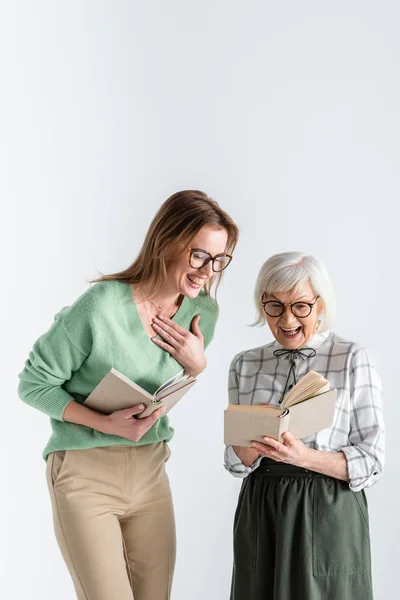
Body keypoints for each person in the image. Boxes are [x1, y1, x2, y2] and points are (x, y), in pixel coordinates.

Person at [19, 190, 238, 600]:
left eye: (218, 260)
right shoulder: (101, 306)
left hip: (150, 472)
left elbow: (161, 396)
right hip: (85, 473)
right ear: (167, 242)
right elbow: (33, 384)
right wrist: (103, 422)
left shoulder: (202, 313)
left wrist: (197, 368)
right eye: (200, 256)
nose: (208, 270)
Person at [224, 251, 384, 600]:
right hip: (261, 507)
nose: (287, 319)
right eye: (274, 306)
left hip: (328, 506)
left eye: (300, 306)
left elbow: (371, 461)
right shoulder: (245, 364)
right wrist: (252, 443)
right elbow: (235, 462)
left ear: (321, 304)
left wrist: (302, 456)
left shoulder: (352, 358)